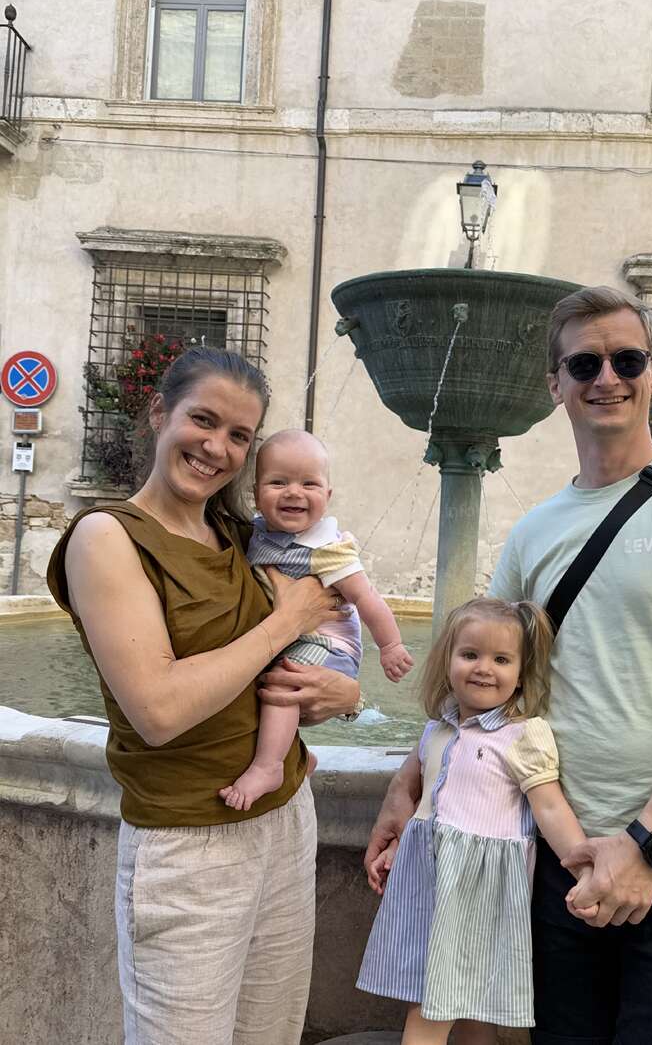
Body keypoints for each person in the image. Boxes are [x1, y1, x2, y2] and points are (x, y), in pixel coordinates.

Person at [365, 286, 652, 1045]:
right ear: (554, 384)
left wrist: (646, 845)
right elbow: (480, 688)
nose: (608, 376)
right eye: (585, 362)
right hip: (559, 865)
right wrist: (406, 783)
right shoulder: (534, 532)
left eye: (627, 359)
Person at [47, 347, 360, 1045]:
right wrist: (289, 618)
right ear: (159, 412)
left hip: (285, 818)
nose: (218, 447)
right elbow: (156, 710)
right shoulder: (107, 538)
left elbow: (329, 627)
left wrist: (342, 689)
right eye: (204, 420)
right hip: (189, 842)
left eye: (240, 435)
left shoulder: (243, 535)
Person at [358, 597, 598, 1044]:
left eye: (501, 659)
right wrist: (395, 847)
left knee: (434, 1003)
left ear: (522, 673)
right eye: (470, 655)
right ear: (447, 661)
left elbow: (549, 808)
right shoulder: (438, 730)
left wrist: (581, 867)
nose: (484, 668)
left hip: (478, 890)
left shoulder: (522, 734)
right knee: (467, 1006)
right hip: (430, 881)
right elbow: (428, 805)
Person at [220, 428, 413, 810]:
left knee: (283, 687)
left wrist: (390, 646)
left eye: (309, 483)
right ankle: (298, 757)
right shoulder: (255, 534)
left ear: (327, 495)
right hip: (294, 635)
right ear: (255, 493)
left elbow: (367, 598)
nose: (294, 492)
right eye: (278, 482)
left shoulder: (327, 550)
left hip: (328, 645)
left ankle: (269, 766)